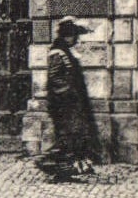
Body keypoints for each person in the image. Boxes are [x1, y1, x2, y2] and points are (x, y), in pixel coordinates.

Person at [38, 18, 102, 181]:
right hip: (64, 104)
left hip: (71, 103)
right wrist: (70, 94)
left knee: (75, 135)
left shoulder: (65, 51)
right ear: (68, 36)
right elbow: (56, 79)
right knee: (69, 135)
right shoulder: (58, 53)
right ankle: (48, 161)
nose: (76, 40)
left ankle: (66, 169)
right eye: (75, 36)